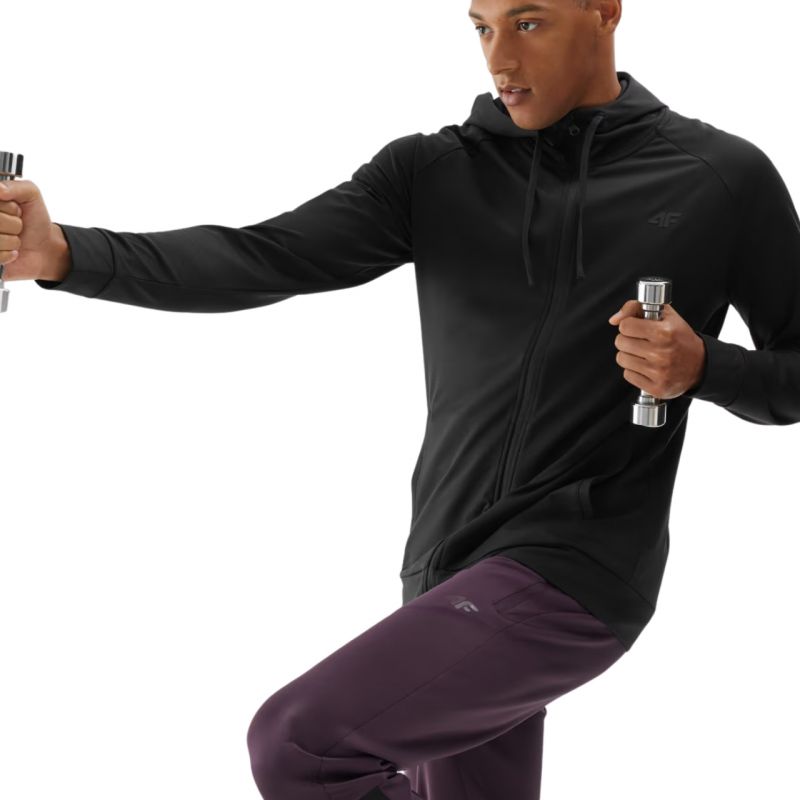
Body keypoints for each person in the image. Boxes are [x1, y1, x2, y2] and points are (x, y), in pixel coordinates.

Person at [2, 0, 799, 797]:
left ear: (603, 10)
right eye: (481, 27)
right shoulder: (433, 171)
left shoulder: (719, 177)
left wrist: (708, 367)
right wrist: (63, 253)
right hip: (444, 565)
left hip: (577, 563)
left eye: (527, 23)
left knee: (301, 744)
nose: (500, 58)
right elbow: (261, 257)